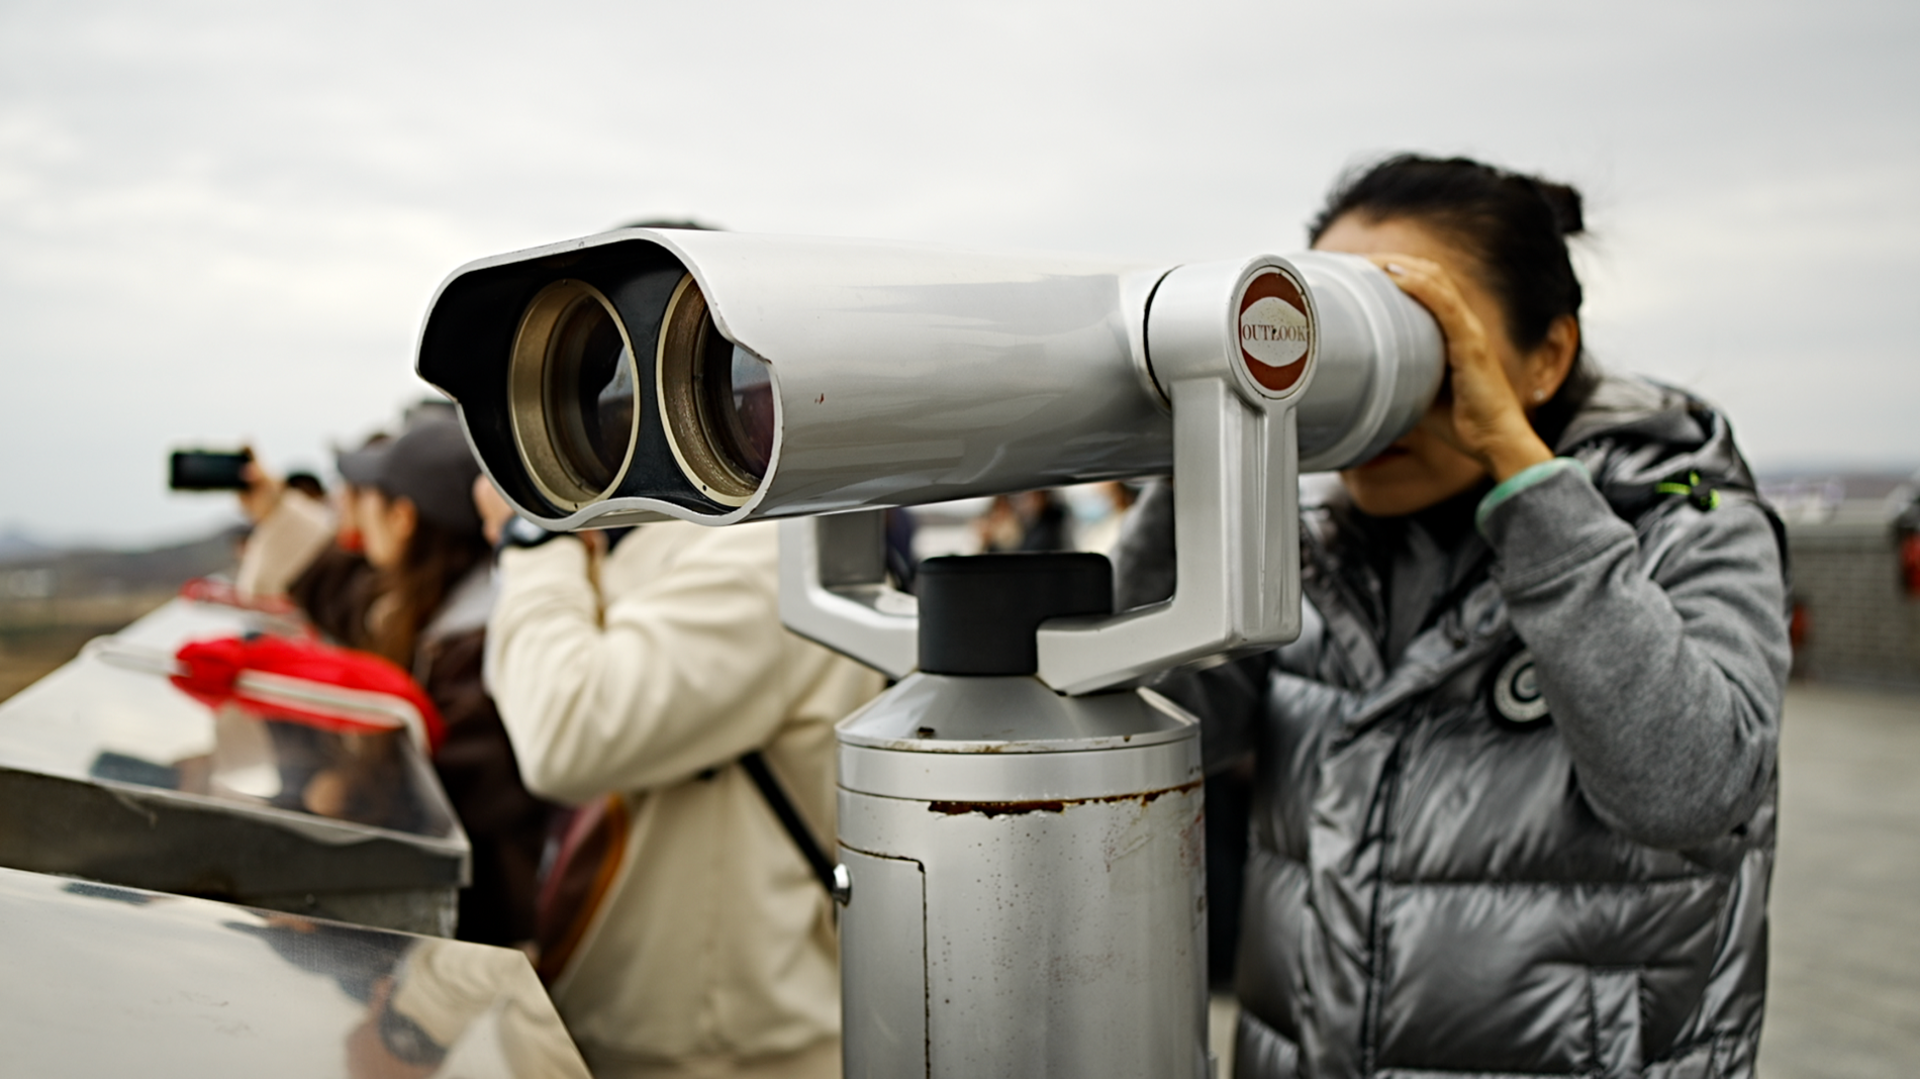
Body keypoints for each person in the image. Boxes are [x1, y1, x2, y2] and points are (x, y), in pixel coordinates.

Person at [1116, 155, 1790, 1078]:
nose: (1368, 392)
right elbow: (1154, 731)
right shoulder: (1312, 550)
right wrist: (1194, 440)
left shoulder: (1684, 520)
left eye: (1417, 336)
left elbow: (1690, 787)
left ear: (1547, 356)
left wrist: (1527, 483)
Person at [473, 479, 886, 1079]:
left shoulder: (762, 553)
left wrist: (536, 538)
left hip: (719, 1044)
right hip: (672, 1025)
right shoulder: (697, 541)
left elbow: (562, 730)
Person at [239, 413, 556, 949]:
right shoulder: (443, 611)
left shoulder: (479, 652)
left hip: (472, 936)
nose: (356, 506)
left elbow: (439, 803)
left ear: (404, 516)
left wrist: (340, 794)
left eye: (369, 493)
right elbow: (346, 594)